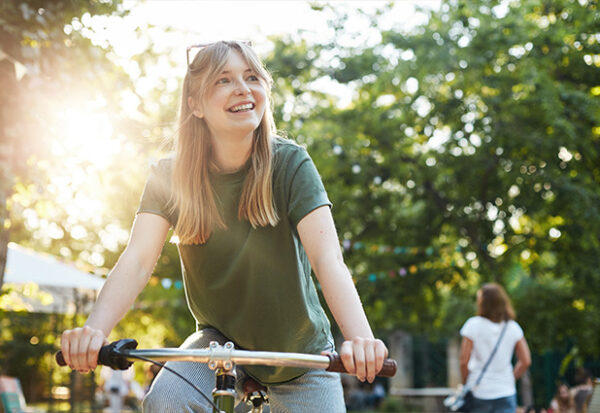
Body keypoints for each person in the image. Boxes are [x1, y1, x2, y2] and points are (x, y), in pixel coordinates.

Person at [59, 40, 388, 412]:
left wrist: (360, 338)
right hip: (219, 344)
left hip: (297, 348)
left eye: (252, 77)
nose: (243, 88)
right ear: (194, 104)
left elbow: (327, 259)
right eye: (223, 80)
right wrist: (94, 332)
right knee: (166, 402)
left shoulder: (291, 165)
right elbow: (136, 260)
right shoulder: (169, 176)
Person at [459, 283, 532, 413]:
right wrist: (510, 378)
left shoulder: (473, 325)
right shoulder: (513, 327)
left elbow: (464, 360)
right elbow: (526, 361)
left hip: (479, 390)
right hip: (505, 391)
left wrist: (466, 382)